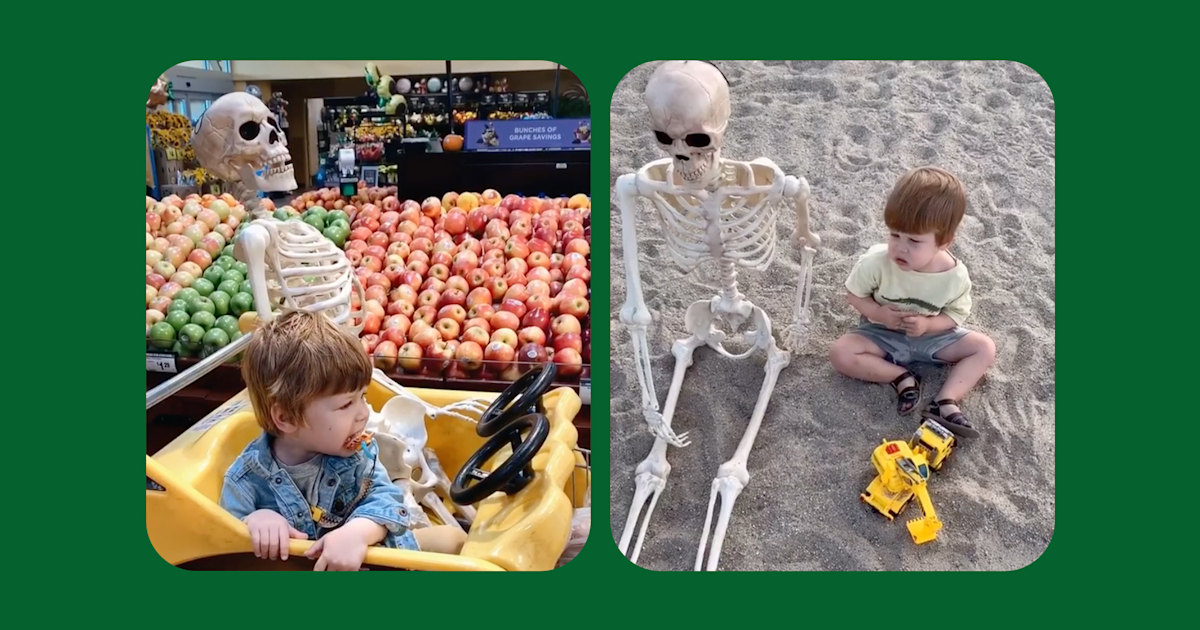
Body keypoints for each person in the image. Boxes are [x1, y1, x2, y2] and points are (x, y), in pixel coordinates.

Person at [219, 310, 466, 570]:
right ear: (287, 417)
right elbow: (221, 545)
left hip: (370, 558)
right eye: (347, 403)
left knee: (454, 540)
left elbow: (385, 496)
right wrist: (255, 521)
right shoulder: (246, 480)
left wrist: (358, 533)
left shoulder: (358, 453)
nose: (364, 413)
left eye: (362, 396)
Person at [829, 166, 996, 437]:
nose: (900, 247)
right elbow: (854, 294)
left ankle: (946, 401)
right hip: (882, 333)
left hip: (932, 337)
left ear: (944, 242)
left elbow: (955, 315)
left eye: (915, 241)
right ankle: (900, 377)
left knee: (984, 348)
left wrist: (929, 325)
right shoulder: (876, 262)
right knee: (840, 352)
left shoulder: (954, 275)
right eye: (894, 235)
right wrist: (878, 314)